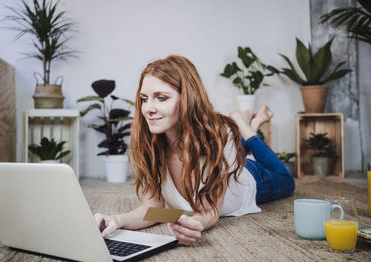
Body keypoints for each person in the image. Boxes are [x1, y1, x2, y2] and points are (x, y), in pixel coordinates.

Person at [94, 55, 295, 245]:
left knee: (287, 181)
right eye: (144, 99)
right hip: (219, 156)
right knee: (228, 143)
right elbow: (154, 209)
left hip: (250, 178)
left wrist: (195, 225)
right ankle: (246, 124)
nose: (148, 108)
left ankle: (246, 125)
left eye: (161, 98)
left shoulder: (220, 135)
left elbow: (209, 212)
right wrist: (117, 220)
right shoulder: (151, 141)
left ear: (187, 100)